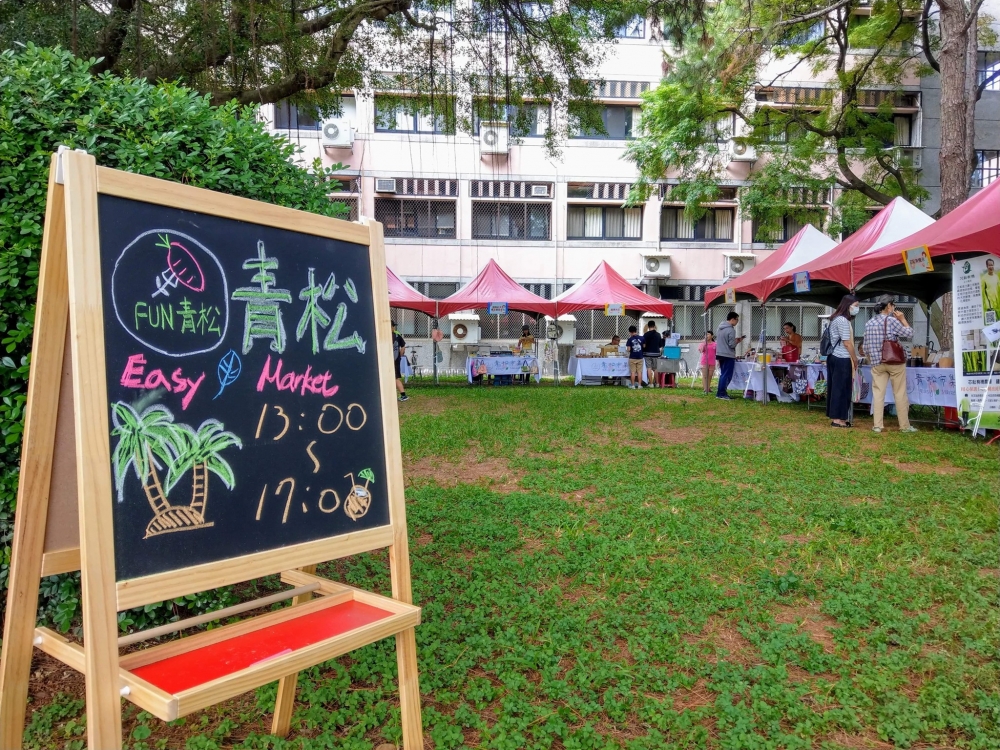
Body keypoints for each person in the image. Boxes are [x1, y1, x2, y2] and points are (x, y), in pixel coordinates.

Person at [863, 294, 917, 433]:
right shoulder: (892, 321)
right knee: (899, 393)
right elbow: (909, 333)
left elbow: (865, 347)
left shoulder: (869, 323)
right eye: (893, 305)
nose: (894, 308)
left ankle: (877, 425)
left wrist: (872, 357)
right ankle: (904, 426)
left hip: (876, 363)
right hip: (894, 362)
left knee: (878, 394)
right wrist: (903, 319)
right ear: (889, 306)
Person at [826, 295, 859, 427]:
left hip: (835, 357)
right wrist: (855, 358)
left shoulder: (836, 319)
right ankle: (838, 419)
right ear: (848, 305)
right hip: (841, 358)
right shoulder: (843, 320)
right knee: (841, 389)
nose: (857, 309)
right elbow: (847, 343)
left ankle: (839, 417)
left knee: (838, 388)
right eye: (856, 306)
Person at [715, 311, 745, 400]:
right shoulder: (731, 329)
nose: (737, 322)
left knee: (723, 374)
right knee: (727, 374)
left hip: (720, 353)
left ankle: (719, 392)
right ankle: (722, 393)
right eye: (737, 320)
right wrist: (737, 341)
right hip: (728, 354)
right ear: (732, 319)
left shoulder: (719, 328)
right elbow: (731, 345)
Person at [642, 321, 665, 388]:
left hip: (647, 354)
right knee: (655, 369)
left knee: (649, 368)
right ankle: (657, 383)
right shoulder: (658, 334)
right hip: (656, 354)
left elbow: (644, 345)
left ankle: (651, 383)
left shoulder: (645, 335)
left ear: (648, 326)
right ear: (654, 326)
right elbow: (660, 345)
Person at [392, 321, 409, 402]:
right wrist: (400, 355)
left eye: (394, 326)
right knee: (394, 378)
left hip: (392, 361)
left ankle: (403, 395)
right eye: (393, 326)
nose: (394, 327)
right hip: (396, 359)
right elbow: (403, 346)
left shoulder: (385, 336)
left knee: (395, 378)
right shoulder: (397, 335)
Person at [625, 325, 645, 389]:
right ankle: (639, 385)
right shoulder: (642, 338)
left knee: (633, 372)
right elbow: (644, 346)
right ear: (636, 331)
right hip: (640, 357)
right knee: (639, 372)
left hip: (632, 357)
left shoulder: (630, 339)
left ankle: (633, 385)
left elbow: (628, 349)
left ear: (630, 332)